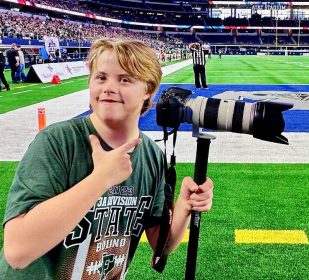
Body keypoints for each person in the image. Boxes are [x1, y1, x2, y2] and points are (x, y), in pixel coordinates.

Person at [0, 38, 213, 279]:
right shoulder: (57, 141)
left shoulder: (151, 155)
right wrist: (101, 179)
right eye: (101, 77)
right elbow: (17, 251)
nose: (109, 87)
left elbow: (160, 244)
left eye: (124, 79)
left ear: (148, 90)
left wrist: (184, 207)